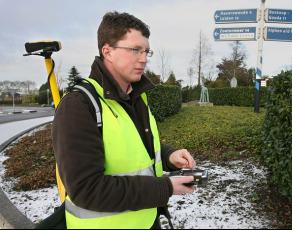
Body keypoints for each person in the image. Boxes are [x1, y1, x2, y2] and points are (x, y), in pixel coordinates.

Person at [52, 11, 197, 229]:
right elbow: (87, 189)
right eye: (135, 50)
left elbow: (135, 148)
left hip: (146, 221)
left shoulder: (137, 96)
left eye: (147, 51)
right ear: (107, 51)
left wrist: (169, 156)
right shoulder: (78, 105)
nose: (144, 59)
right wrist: (165, 188)